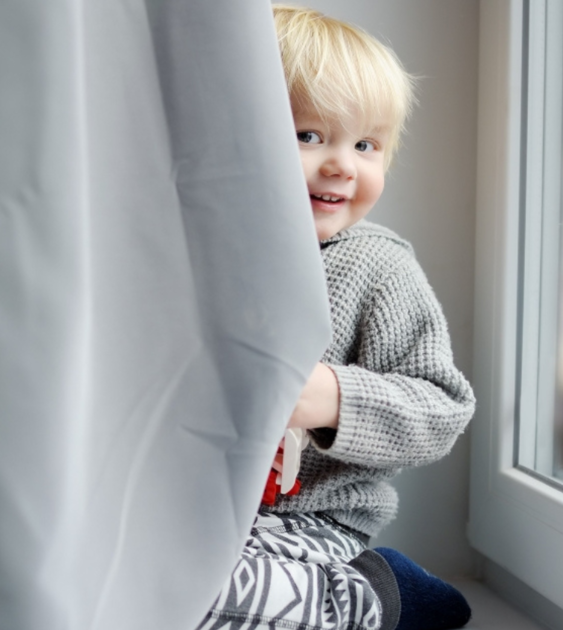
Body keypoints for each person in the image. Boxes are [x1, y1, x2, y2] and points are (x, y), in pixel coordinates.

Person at [197, 6, 476, 630]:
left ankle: (383, 596)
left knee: (192, 596)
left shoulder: (377, 268)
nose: (342, 165)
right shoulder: (197, 255)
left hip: (310, 523)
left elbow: (441, 410)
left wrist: (330, 397)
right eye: (308, 135)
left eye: (366, 144)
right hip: (190, 509)